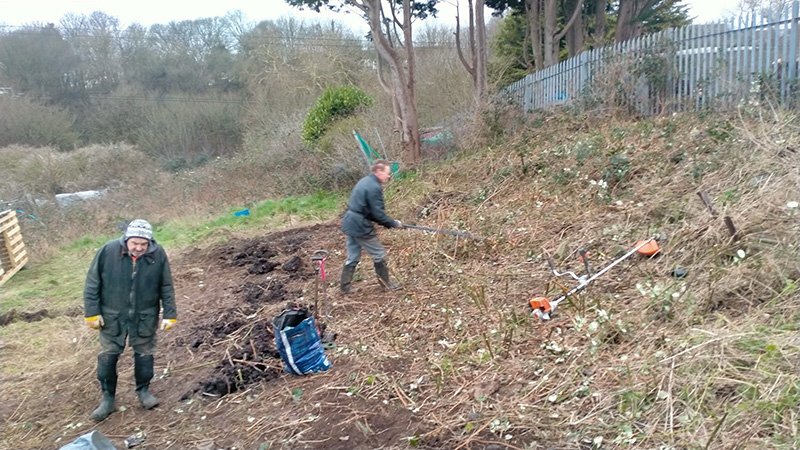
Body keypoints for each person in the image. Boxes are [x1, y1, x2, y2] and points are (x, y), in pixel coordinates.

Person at [83, 219, 177, 422]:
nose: (139, 248)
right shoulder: (108, 251)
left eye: (144, 244)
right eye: (135, 243)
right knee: (108, 357)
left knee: (144, 355)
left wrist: (170, 314)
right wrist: (92, 312)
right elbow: (92, 283)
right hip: (112, 316)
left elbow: (166, 286)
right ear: (126, 239)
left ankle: (143, 392)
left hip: (145, 315)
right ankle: (108, 399)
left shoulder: (157, 254)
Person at [340, 160, 403, 293]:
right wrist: (393, 223)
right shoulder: (374, 187)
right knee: (379, 254)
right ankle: (386, 285)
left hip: (350, 221)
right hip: (360, 225)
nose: (388, 176)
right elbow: (378, 214)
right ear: (379, 171)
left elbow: (370, 211)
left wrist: (390, 222)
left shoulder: (365, 181)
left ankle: (344, 287)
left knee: (352, 256)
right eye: (387, 173)